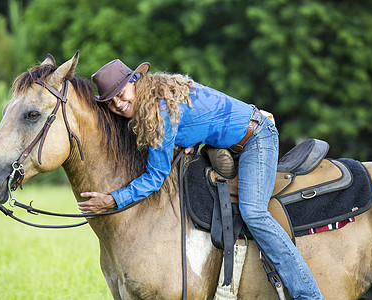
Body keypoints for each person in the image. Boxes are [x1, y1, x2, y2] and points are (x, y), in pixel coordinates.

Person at [79, 59, 325, 299]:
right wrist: (189, 138)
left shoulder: (160, 110)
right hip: (232, 137)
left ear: (135, 81)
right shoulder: (158, 94)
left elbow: (156, 177)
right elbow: (199, 115)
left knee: (254, 213)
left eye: (121, 94)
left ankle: (309, 295)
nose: (118, 104)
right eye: (110, 102)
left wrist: (114, 199)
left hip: (256, 138)